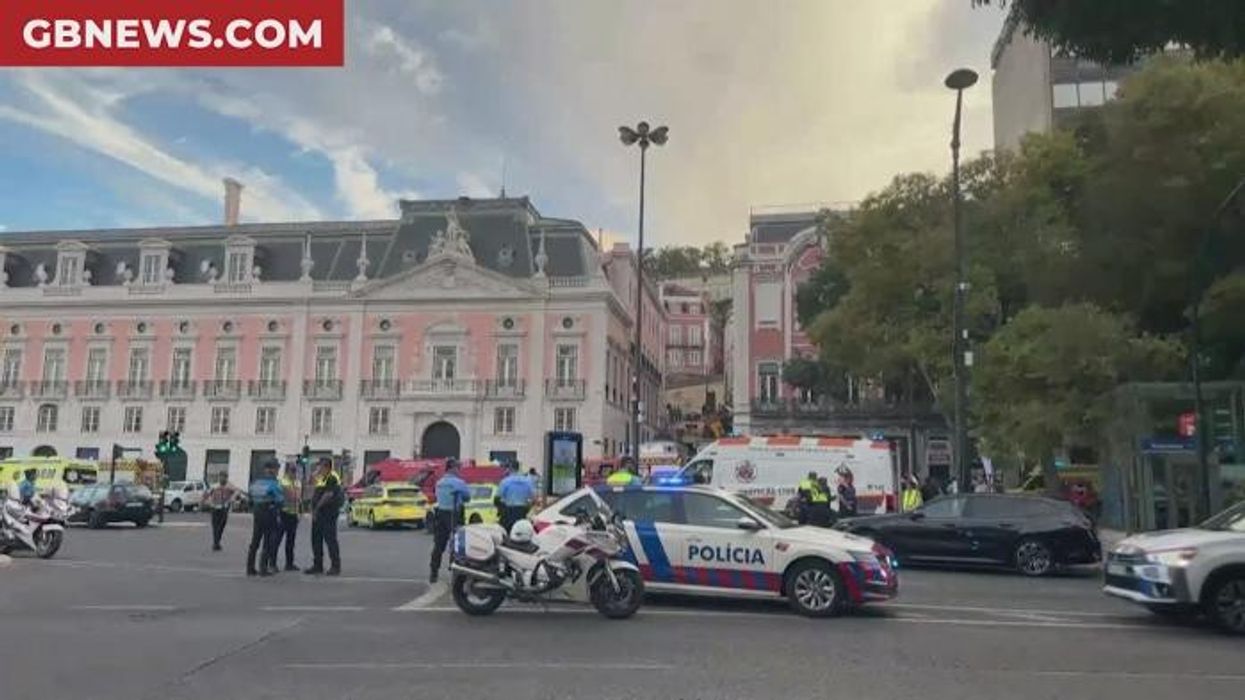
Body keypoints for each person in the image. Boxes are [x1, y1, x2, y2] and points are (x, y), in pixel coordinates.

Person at [428, 459, 471, 584]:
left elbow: (437, 496)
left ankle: (433, 572)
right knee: (457, 545)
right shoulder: (459, 482)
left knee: (439, 545)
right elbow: (467, 498)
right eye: (458, 468)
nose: (459, 470)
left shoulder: (439, 482)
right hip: (454, 514)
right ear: (452, 468)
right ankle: (456, 573)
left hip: (441, 514)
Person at [246, 460, 284, 577]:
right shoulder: (274, 483)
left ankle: (250, 568)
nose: (277, 471)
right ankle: (263, 568)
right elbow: (280, 500)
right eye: (277, 469)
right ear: (272, 469)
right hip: (269, 511)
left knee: (255, 540)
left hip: (257, 512)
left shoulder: (256, 482)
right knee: (268, 540)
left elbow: (250, 498)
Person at [305, 458, 343, 576]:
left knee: (330, 540)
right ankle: (318, 565)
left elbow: (328, 495)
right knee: (316, 540)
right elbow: (310, 485)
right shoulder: (322, 478)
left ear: (326, 467)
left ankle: (335, 566)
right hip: (319, 514)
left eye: (320, 466)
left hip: (328, 513)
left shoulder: (332, 477)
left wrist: (316, 508)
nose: (318, 469)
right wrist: (313, 475)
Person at [268, 463, 302, 572]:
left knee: (291, 541)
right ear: (287, 472)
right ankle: (272, 564)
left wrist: (299, 512)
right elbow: (292, 496)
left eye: (295, 471)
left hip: (293, 514)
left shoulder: (297, 482)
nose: (294, 473)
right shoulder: (282, 482)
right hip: (283, 513)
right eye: (292, 471)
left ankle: (289, 564)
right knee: (277, 539)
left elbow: (298, 498)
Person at [496, 461, 536, 534]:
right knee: (522, 533)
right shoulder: (528, 481)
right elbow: (534, 499)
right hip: (522, 512)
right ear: (519, 468)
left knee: (504, 533)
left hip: (508, 512)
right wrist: (527, 508)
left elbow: (497, 498)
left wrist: (501, 510)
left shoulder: (505, 481)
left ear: (510, 468)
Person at [204, 473, 236, 552]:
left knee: (221, 526)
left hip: (224, 508)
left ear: (226, 478)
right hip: (215, 507)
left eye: (224, 477)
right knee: (215, 526)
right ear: (219, 478)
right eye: (221, 477)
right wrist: (204, 502)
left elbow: (236, 493)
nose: (222, 479)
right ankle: (216, 543)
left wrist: (232, 499)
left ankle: (217, 542)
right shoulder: (214, 486)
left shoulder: (229, 487)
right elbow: (206, 494)